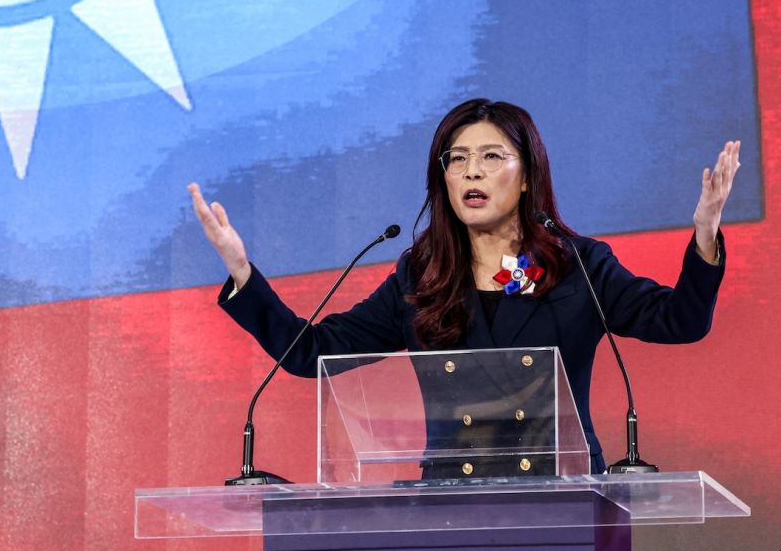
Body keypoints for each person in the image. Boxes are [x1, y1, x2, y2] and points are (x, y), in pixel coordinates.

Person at [188, 98, 740, 475]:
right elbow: (309, 352)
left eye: (491, 157)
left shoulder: (579, 268)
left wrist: (705, 236)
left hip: (566, 497)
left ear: (526, 177)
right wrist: (242, 272)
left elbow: (681, 321)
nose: (472, 172)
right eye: (458, 160)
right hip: (453, 502)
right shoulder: (421, 276)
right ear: (444, 179)